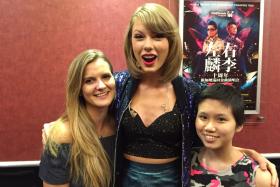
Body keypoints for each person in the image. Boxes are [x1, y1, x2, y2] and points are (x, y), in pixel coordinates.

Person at [112, 3, 278, 187]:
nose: (148, 45)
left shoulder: (190, 91)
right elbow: (90, 123)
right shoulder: (118, 84)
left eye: (158, 36)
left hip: (175, 182)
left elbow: (210, 135)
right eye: (139, 37)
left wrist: (248, 154)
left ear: (171, 42)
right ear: (130, 42)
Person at [39, 49, 116, 187]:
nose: (101, 86)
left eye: (106, 76)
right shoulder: (62, 134)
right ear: (79, 89)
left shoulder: (119, 125)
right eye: (89, 81)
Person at [190, 84, 271, 186]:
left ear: (239, 125)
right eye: (203, 117)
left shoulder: (258, 177)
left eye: (221, 119)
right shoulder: (186, 161)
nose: (209, 127)